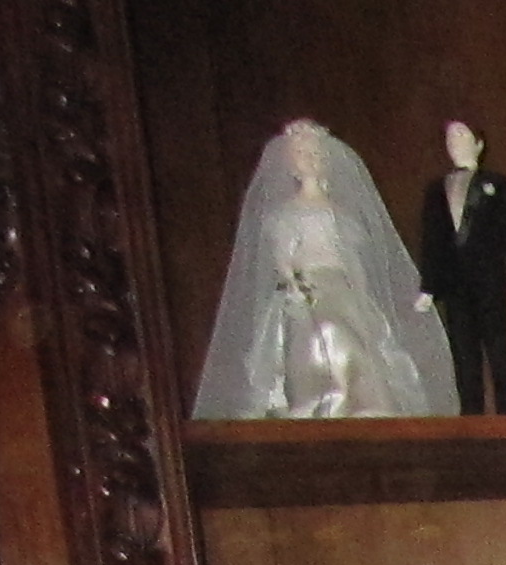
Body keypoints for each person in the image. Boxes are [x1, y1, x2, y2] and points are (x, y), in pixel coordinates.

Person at [192, 120, 456, 422]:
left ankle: (363, 404)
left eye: (316, 153)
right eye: (302, 153)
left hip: (343, 290)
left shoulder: (339, 213)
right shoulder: (287, 213)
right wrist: (292, 283)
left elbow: (351, 259)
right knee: (320, 338)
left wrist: (362, 296)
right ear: (291, 165)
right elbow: (283, 256)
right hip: (309, 290)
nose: (310, 159)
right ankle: (317, 404)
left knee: (361, 346)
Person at [415, 119, 506, 416]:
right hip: (455, 285)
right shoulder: (436, 190)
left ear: (478, 143)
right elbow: (432, 240)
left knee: (499, 352)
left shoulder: (498, 186)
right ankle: (470, 417)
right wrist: (429, 288)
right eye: (450, 137)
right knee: (464, 356)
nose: (454, 141)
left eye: (461, 134)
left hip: (489, 281)